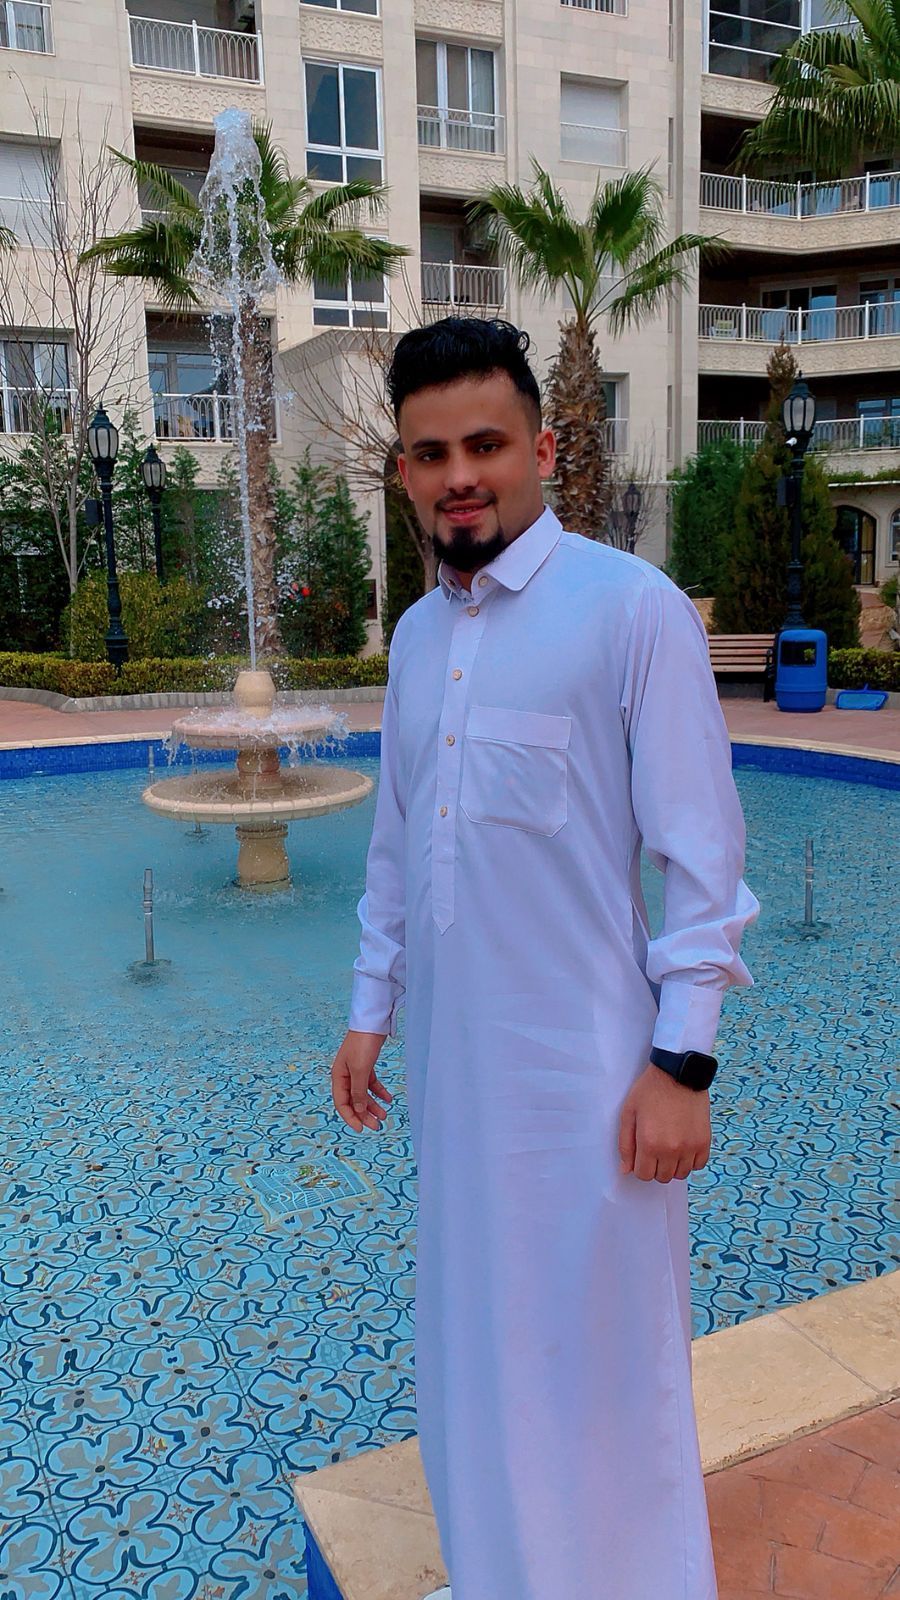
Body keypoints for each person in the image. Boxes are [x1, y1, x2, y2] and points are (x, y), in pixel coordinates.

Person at [330, 317, 759, 1600]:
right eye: (430, 453)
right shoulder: (415, 641)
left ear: (545, 449)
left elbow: (703, 859)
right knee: (477, 1358)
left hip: (595, 1089)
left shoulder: (630, 612)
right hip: (459, 1092)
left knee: (611, 1378)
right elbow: (399, 841)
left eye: (487, 444)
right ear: (404, 472)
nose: (460, 475)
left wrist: (682, 1063)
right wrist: (369, 1006)